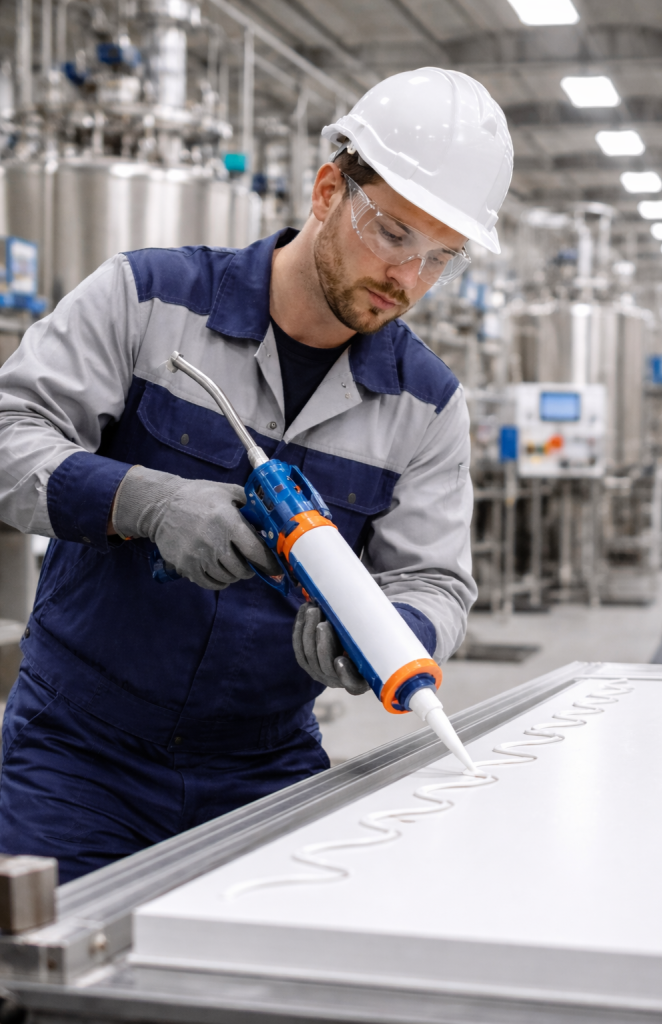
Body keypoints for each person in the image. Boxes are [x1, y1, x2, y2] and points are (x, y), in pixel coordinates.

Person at [0, 68, 513, 882]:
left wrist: (389, 641)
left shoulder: (427, 405)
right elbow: (10, 431)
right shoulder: (148, 297)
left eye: (438, 259)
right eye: (391, 235)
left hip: (262, 764)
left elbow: (433, 579)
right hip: (77, 753)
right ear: (325, 191)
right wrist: (144, 499)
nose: (406, 280)